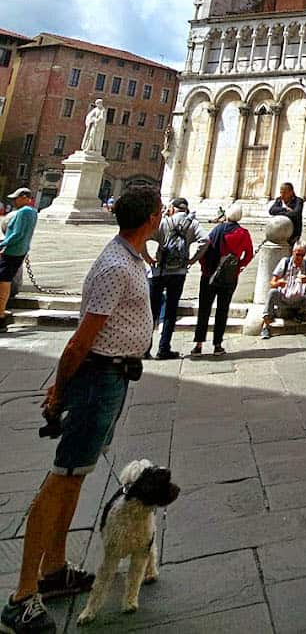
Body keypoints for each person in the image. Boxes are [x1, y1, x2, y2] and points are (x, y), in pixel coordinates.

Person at [1, 184, 162, 634]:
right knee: (61, 479)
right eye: (159, 211)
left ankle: (53, 570)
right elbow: (79, 341)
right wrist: (59, 390)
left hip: (111, 378)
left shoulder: (130, 258)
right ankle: (21, 598)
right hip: (96, 380)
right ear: (151, 218)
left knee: (74, 476)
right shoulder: (116, 266)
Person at [144, 197, 207, 361]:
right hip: (179, 272)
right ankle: (164, 349)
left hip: (159, 271)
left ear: (172, 208)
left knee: (152, 311)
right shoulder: (193, 224)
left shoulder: (164, 222)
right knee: (171, 311)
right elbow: (205, 240)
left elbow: (143, 236)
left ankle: (145, 348)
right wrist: (193, 260)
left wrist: (148, 258)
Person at [191, 203, 253, 358]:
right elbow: (249, 254)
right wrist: (238, 266)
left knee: (204, 309)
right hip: (230, 277)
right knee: (222, 310)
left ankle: (198, 345)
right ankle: (217, 345)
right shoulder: (243, 234)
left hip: (209, 275)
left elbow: (205, 248)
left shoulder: (217, 230)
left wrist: (204, 267)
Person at [260, 242, 306, 338]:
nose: (300, 258)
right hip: (284, 299)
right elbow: (272, 283)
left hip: (300, 300)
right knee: (272, 292)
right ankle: (266, 325)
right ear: (293, 252)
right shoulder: (285, 263)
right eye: (297, 254)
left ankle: (301, 312)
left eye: (302, 255)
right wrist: (279, 283)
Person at [0, 188, 39, 326]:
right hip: (20, 250)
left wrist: (3, 245)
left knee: (3, 280)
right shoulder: (33, 212)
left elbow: (17, 234)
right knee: (5, 279)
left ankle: (1, 314)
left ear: (24, 197)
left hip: (13, 251)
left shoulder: (24, 212)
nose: (14, 201)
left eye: (16, 199)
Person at [268, 181, 303, 246]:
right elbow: (272, 210)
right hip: (278, 232)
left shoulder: (298, 201)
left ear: (291, 192)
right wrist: (285, 209)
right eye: (281, 192)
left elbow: (295, 214)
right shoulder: (279, 200)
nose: (282, 195)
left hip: (293, 234)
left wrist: (279, 213)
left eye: (284, 192)